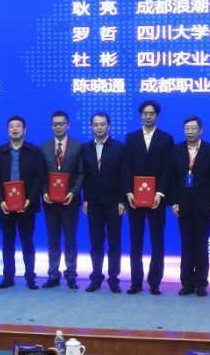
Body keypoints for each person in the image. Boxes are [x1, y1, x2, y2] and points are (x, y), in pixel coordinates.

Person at [123, 99, 173, 295]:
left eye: (151, 113)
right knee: (135, 241)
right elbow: (126, 167)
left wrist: (160, 192)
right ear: (141, 116)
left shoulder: (166, 139)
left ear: (157, 116)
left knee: (157, 241)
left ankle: (154, 282)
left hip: (156, 199)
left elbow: (168, 169)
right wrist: (128, 191)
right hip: (135, 199)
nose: (148, 116)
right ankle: (135, 282)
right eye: (145, 113)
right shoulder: (131, 138)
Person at [0, 115, 45, 289]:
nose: (14, 129)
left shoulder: (34, 152)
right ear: (8, 130)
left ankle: (30, 277)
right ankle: (8, 277)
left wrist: (30, 199)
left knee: (27, 242)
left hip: (27, 206)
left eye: (18, 126)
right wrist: (0, 200)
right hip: (5, 206)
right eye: (11, 127)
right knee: (7, 242)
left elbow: (39, 177)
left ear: (24, 130)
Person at [170, 116, 210, 297]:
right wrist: (174, 202)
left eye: (193, 128)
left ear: (201, 130)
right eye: (187, 128)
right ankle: (187, 283)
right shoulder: (176, 150)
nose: (190, 131)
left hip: (204, 206)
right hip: (183, 206)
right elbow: (172, 179)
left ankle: (201, 283)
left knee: (201, 245)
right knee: (186, 245)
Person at [81, 111, 125, 293]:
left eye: (102, 124)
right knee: (96, 243)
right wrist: (85, 199)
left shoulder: (119, 148)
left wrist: (122, 201)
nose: (99, 127)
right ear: (92, 127)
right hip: (93, 203)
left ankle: (113, 279)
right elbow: (83, 175)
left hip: (114, 203)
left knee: (114, 243)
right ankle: (96, 278)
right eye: (96, 124)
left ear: (109, 126)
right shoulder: (85, 148)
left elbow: (124, 176)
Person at [40, 110, 83, 290]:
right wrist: (44, 192)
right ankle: (53, 274)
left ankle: (71, 274)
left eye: (61, 123)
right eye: (55, 124)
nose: (58, 126)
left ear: (68, 125)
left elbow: (81, 173)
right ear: (51, 126)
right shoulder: (44, 147)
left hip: (70, 201)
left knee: (70, 239)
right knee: (53, 239)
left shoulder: (77, 146)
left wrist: (73, 192)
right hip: (50, 202)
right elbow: (41, 174)